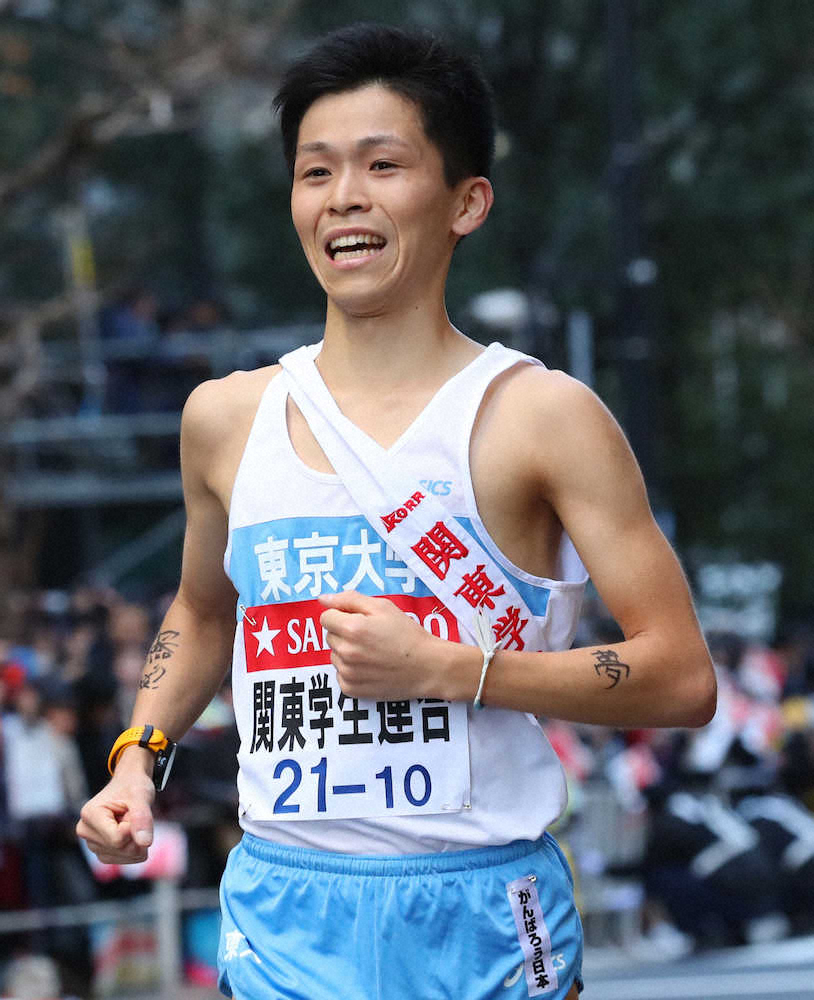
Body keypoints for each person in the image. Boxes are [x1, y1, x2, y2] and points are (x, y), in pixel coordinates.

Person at [76, 23, 716, 999]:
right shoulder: (223, 418)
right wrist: (138, 761)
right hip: (285, 905)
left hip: (483, 907)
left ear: (466, 201)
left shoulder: (541, 417)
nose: (344, 200)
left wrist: (450, 670)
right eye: (316, 171)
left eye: (383, 165)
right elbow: (203, 613)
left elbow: (679, 675)